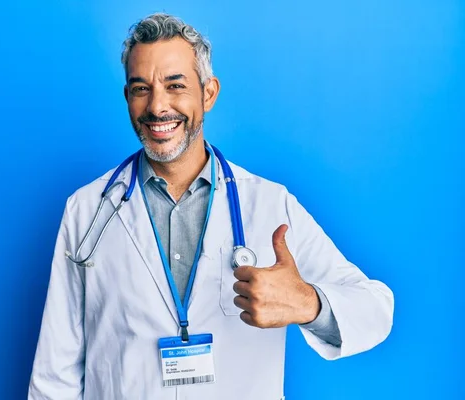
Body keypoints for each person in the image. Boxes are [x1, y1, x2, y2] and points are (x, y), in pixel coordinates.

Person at [28, 13, 394, 400]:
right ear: (127, 98)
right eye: (141, 88)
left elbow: (377, 310)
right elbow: (55, 373)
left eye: (175, 85)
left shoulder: (269, 204)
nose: (157, 106)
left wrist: (309, 303)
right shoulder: (87, 210)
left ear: (208, 93)